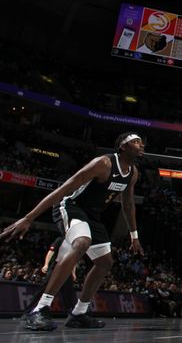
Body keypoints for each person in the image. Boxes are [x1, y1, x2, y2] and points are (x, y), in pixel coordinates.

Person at [0, 131, 145, 331]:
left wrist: (134, 235)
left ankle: (79, 312)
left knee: (105, 262)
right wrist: (29, 217)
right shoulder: (103, 163)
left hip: (92, 215)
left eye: (141, 142)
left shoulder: (133, 173)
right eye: (136, 142)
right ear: (123, 146)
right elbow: (65, 188)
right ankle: (39, 309)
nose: (141, 145)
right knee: (82, 242)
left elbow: (128, 204)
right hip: (70, 206)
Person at [25, 236, 79, 314]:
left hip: (68, 268)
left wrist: (73, 273)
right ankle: (29, 311)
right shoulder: (60, 240)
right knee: (45, 288)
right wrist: (46, 264)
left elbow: (74, 259)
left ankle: (74, 314)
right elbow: (51, 252)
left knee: (69, 292)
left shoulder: (76, 243)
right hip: (56, 266)